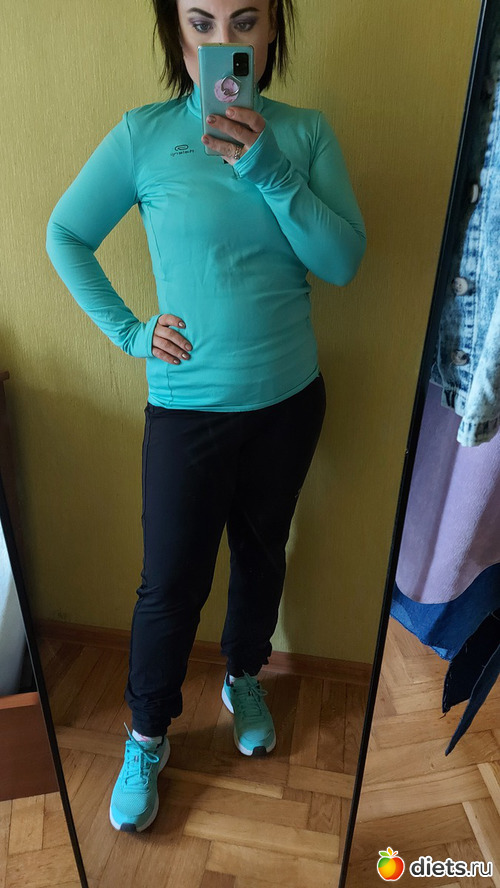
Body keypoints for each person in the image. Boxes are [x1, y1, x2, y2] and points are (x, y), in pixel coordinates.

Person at [46, 0, 366, 833]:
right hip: (187, 412)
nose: (225, 42)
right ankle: (147, 735)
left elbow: (343, 261)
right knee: (170, 585)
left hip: (289, 402)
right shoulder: (145, 135)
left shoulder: (304, 133)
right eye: (202, 22)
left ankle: (244, 676)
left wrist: (269, 168)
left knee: (261, 554)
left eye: (245, 21)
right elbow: (65, 234)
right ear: (177, 34)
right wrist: (132, 332)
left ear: (273, 29)